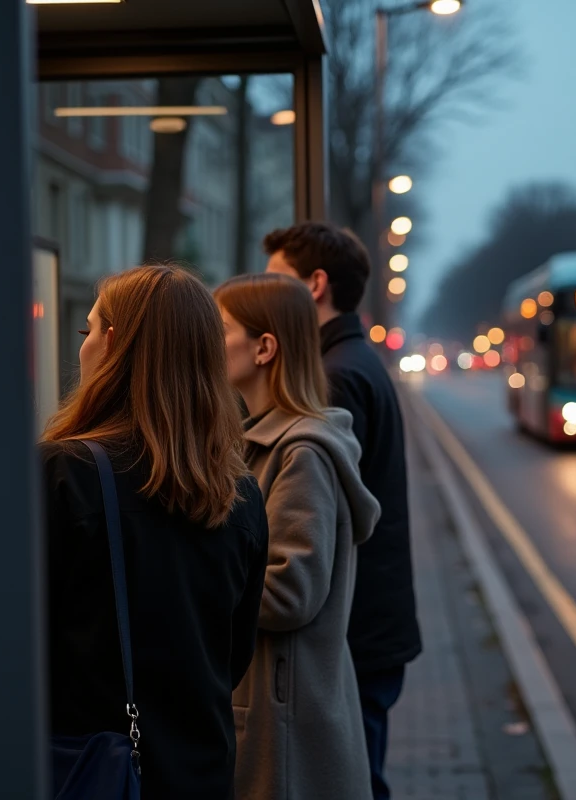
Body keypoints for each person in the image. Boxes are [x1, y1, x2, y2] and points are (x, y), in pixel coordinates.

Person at [41, 265, 269, 798]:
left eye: (88, 329)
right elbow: (234, 651)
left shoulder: (63, 473)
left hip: (90, 772)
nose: (83, 344)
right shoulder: (239, 490)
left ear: (112, 343)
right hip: (201, 770)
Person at [264, 222, 421, 800]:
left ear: (314, 285)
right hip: (375, 622)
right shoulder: (355, 359)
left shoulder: (334, 377)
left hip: (356, 629)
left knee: (356, 782)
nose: (266, 294)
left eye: (276, 280)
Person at [215, 273, 380, 800]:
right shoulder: (261, 440)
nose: (210, 343)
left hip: (283, 718)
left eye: (221, 329)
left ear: (264, 348)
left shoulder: (301, 453)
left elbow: (290, 594)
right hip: (275, 705)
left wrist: (194, 580)